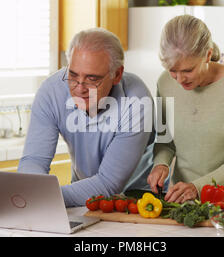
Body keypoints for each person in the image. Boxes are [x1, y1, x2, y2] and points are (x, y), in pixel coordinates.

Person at [18, 28, 155, 207]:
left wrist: (46, 197)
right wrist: (30, 192)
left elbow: (108, 183)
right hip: (84, 197)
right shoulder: (52, 91)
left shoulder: (136, 99)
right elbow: (34, 160)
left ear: (117, 75)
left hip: (139, 200)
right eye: (73, 75)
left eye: (92, 79)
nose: (79, 88)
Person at [148, 15, 224, 203]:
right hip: (183, 201)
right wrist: (160, 164)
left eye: (188, 70)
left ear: (207, 54)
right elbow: (165, 141)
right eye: (173, 70)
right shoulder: (164, 83)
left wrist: (197, 187)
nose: (180, 79)